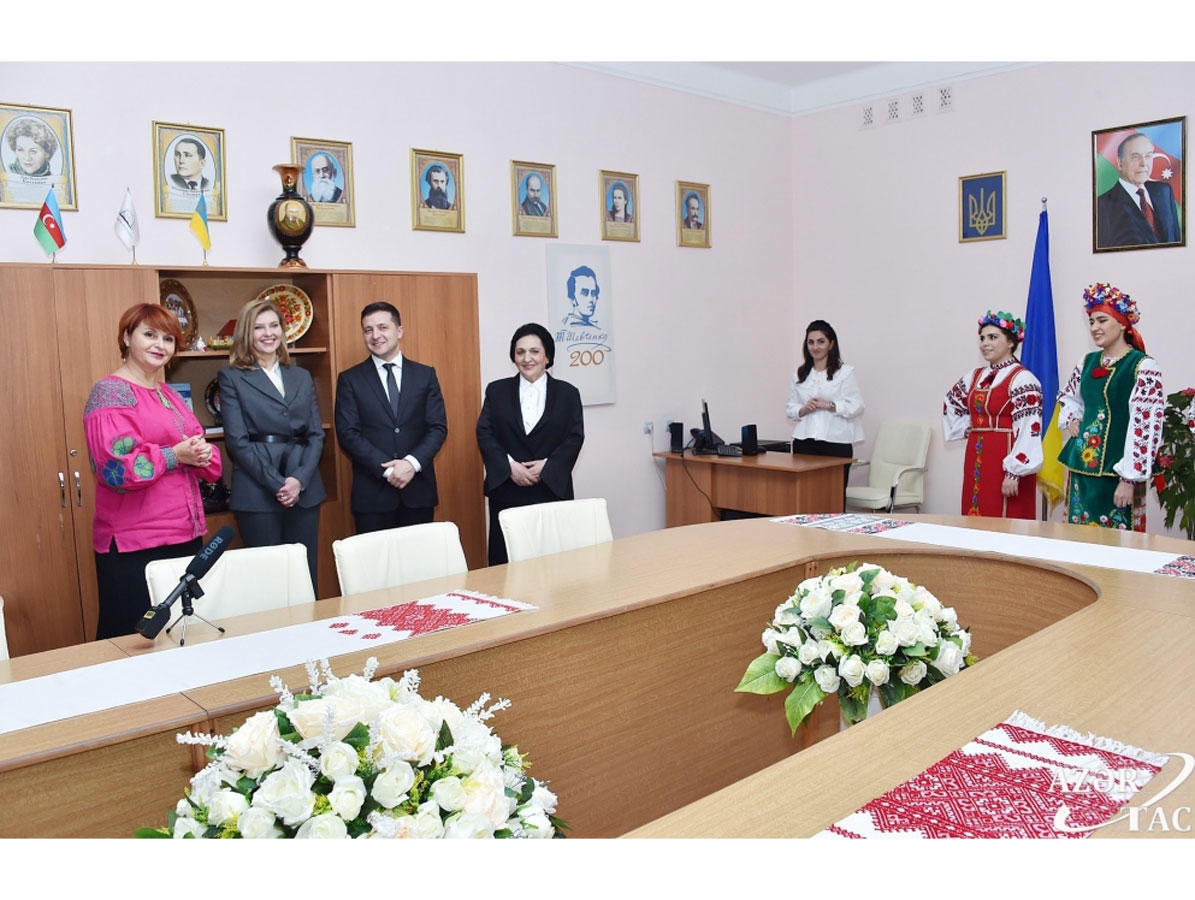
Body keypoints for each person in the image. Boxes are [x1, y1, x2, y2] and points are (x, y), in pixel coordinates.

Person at [84, 303, 222, 639]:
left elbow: (203, 452)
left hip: (184, 535)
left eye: (168, 339)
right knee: (134, 640)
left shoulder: (167, 393)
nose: (160, 345)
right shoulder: (110, 392)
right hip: (136, 544)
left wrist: (203, 453)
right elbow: (115, 469)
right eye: (149, 335)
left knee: (181, 635)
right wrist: (176, 456)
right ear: (127, 338)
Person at [218, 297, 326, 588]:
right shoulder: (232, 377)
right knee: (269, 582)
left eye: (274, 325)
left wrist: (299, 480)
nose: (268, 333)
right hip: (257, 491)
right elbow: (237, 442)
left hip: (304, 489)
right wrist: (277, 483)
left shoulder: (301, 376)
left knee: (304, 577)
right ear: (246, 333)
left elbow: (316, 434)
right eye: (258, 327)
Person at [1058, 283, 1164, 530]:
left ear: (1123, 323)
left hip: (1119, 472)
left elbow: (1146, 424)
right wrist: (1072, 418)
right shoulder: (1087, 361)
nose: (1094, 328)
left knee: (1118, 543)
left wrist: (1129, 479)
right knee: (1078, 535)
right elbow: (1069, 396)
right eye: (1092, 322)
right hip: (1081, 467)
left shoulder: (1143, 366)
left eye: (1102, 321)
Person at [476, 323, 584, 565]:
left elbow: (575, 437)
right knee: (506, 564)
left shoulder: (569, 393)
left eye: (534, 351)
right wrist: (508, 465)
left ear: (547, 356)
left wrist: (548, 466)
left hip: (551, 490)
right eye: (520, 351)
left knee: (554, 566)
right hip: (507, 490)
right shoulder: (496, 390)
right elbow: (484, 433)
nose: (527, 358)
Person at [335, 301, 447, 534]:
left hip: (418, 491)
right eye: (368, 330)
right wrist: (389, 470)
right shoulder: (350, 379)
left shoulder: (425, 375)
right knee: (375, 569)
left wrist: (411, 464)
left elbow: (437, 427)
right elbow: (347, 433)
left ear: (399, 330)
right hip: (372, 496)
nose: (376, 335)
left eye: (383, 327)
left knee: (421, 568)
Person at [942, 311, 1044, 518]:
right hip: (977, 455)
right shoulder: (975, 376)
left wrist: (1014, 471)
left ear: (1010, 343)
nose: (985, 343)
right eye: (982, 338)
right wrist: (970, 427)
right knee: (976, 508)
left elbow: (1029, 428)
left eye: (993, 337)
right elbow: (951, 402)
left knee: (1007, 516)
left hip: (1006, 458)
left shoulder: (1024, 379)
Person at [785, 320, 864, 495]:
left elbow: (857, 406)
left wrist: (830, 405)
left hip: (836, 443)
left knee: (832, 495)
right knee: (804, 494)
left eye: (821, 341)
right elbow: (790, 409)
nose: (815, 347)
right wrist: (803, 409)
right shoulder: (799, 375)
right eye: (811, 342)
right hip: (804, 442)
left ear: (831, 344)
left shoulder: (845, 373)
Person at [1096, 133, 1181, 249]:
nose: (1144, 163)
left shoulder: (1164, 192)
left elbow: (1177, 240)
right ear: (1120, 163)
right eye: (1135, 157)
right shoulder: (1102, 205)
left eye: (1148, 156)